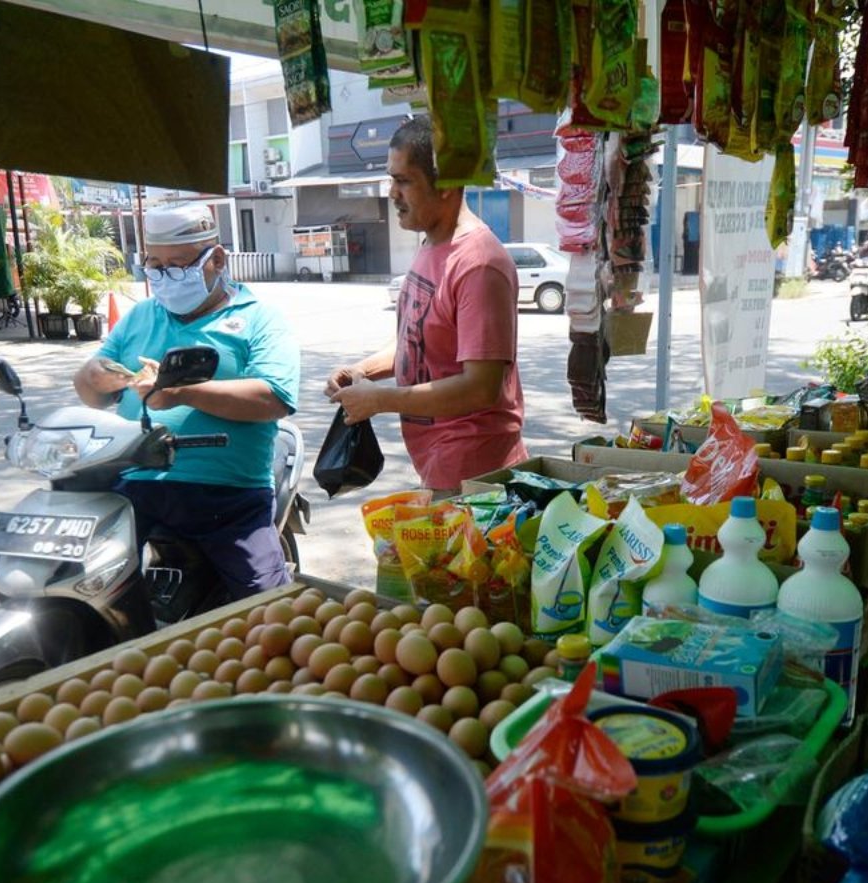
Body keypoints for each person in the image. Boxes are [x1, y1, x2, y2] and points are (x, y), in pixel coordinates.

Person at [73, 203, 300, 597]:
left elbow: (273, 398)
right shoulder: (140, 316)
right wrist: (93, 377)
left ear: (217, 260)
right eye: (155, 266)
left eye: (178, 266)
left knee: (269, 609)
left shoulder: (260, 317)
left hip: (229, 494)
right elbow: (91, 394)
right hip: (134, 485)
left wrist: (182, 393)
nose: (166, 277)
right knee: (83, 583)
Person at [324, 116, 528, 494]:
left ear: (447, 184)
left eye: (403, 180)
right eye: (391, 179)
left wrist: (379, 400)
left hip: (475, 474)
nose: (392, 193)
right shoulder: (432, 242)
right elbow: (415, 339)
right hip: (439, 464)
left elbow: (481, 388)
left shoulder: (479, 264)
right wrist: (362, 372)